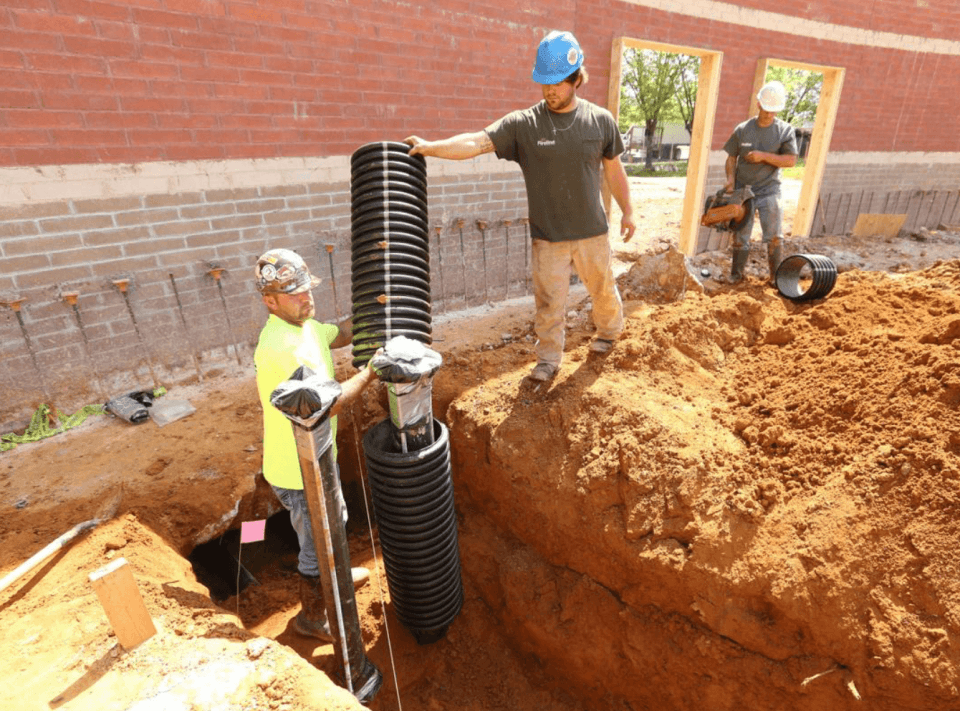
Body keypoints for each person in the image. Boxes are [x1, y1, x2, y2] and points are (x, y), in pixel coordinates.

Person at [405, 30, 636, 382]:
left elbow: (614, 170)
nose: (549, 90)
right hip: (548, 238)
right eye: (544, 83)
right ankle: (548, 360)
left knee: (603, 290)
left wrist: (629, 210)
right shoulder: (524, 124)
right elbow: (475, 142)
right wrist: (430, 146)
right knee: (548, 304)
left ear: (576, 79)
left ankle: (609, 334)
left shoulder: (600, 121)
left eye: (557, 83)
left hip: (592, 232)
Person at [253, 248, 377, 642]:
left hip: (317, 458)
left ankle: (337, 580)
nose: (306, 299)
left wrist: (372, 316)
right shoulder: (280, 347)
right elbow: (329, 404)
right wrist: (372, 370)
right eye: (294, 294)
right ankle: (312, 616)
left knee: (334, 522)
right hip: (297, 470)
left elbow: (336, 333)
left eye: (307, 290)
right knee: (317, 542)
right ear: (269, 301)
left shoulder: (303, 326)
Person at [723, 80, 798, 283]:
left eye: (773, 111)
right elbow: (731, 158)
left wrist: (763, 156)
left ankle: (776, 278)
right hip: (743, 190)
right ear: (758, 104)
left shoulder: (785, 131)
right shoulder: (743, 129)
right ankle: (736, 277)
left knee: (774, 236)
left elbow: (791, 160)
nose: (769, 114)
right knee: (740, 236)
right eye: (766, 109)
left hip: (769, 190)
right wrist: (730, 179)